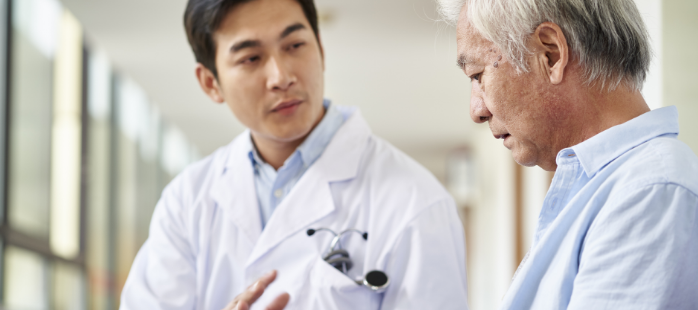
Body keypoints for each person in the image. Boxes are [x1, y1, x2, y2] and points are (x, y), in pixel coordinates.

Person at [119, 0, 469, 309]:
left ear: (321, 49)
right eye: (251, 58)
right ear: (211, 83)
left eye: (295, 45)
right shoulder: (185, 204)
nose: (281, 76)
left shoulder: (414, 200)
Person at [439, 0, 698, 309]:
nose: (476, 111)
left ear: (551, 54)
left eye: (477, 75)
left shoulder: (650, 193)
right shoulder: (607, 188)